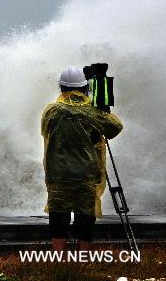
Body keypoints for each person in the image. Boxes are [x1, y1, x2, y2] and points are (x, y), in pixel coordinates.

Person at [41, 66, 123, 252]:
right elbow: (115, 128)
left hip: (59, 173)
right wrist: (103, 109)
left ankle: (59, 257)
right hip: (86, 174)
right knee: (85, 215)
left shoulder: (51, 111)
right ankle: (83, 258)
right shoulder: (92, 112)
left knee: (58, 214)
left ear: (61, 87)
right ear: (85, 87)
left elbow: (46, 132)